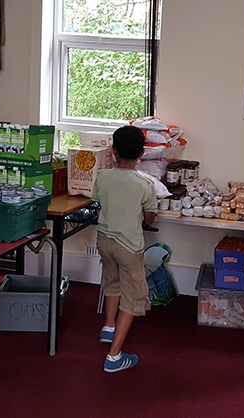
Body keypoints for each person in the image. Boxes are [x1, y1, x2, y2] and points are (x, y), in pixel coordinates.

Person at [92, 125, 158, 373]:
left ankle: (108, 327)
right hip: (129, 247)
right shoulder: (144, 183)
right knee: (132, 299)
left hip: (104, 241)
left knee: (112, 282)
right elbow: (150, 219)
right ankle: (114, 357)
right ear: (141, 154)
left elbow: (99, 200)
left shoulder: (104, 177)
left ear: (113, 152)